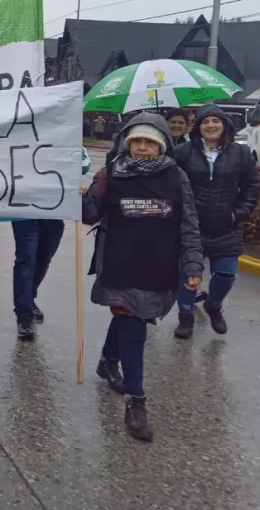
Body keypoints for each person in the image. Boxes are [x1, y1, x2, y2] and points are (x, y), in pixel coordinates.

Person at [82, 114, 203, 442]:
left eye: (149, 142)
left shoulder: (176, 178)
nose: (142, 148)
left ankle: (108, 361)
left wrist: (193, 266)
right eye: (137, 141)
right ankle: (137, 403)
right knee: (133, 327)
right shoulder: (109, 175)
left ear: (161, 145)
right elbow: (88, 216)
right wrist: (85, 193)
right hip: (120, 266)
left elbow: (189, 225)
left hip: (159, 268)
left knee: (132, 318)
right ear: (127, 143)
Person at [173, 104, 260, 339]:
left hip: (226, 227)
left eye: (216, 121)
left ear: (225, 125)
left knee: (225, 275)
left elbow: (252, 186)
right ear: (198, 127)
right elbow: (170, 185)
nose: (210, 125)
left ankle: (213, 304)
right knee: (187, 275)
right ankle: (185, 316)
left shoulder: (241, 153)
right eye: (205, 122)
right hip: (190, 226)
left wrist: (238, 213)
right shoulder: (183, 153)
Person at [11, 147, 91, 340]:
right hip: (25, 209)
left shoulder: (67, 141)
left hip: (54, 209)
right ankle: (24, 314)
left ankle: (30, 297)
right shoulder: (22, 139)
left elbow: (84, 166)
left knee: (44, 257)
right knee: (26, 258)